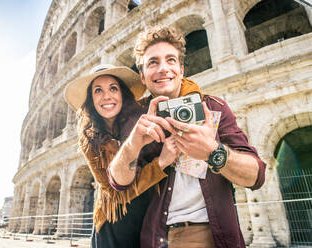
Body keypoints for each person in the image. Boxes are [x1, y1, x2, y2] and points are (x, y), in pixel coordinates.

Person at [108, 26, 266, 248]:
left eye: (170, 60)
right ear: (142, 77)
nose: (163, 69)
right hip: (158, 237)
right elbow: (118, 182)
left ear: (181, 69)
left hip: (212, 235)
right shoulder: (137, 121)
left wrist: (213, 151)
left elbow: (256, 176)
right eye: (153, 62)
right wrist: (133, 143)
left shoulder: (214, 108)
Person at [64, 64, 169, 248]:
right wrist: (160, 164)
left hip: (151, 216)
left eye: (113, 88)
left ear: (123, 94)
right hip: (113, 224)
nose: (107, 96)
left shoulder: (143, 115)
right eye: (98, 91)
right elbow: (114, 193)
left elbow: (180, 90)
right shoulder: (90, 139)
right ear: (91, 99)